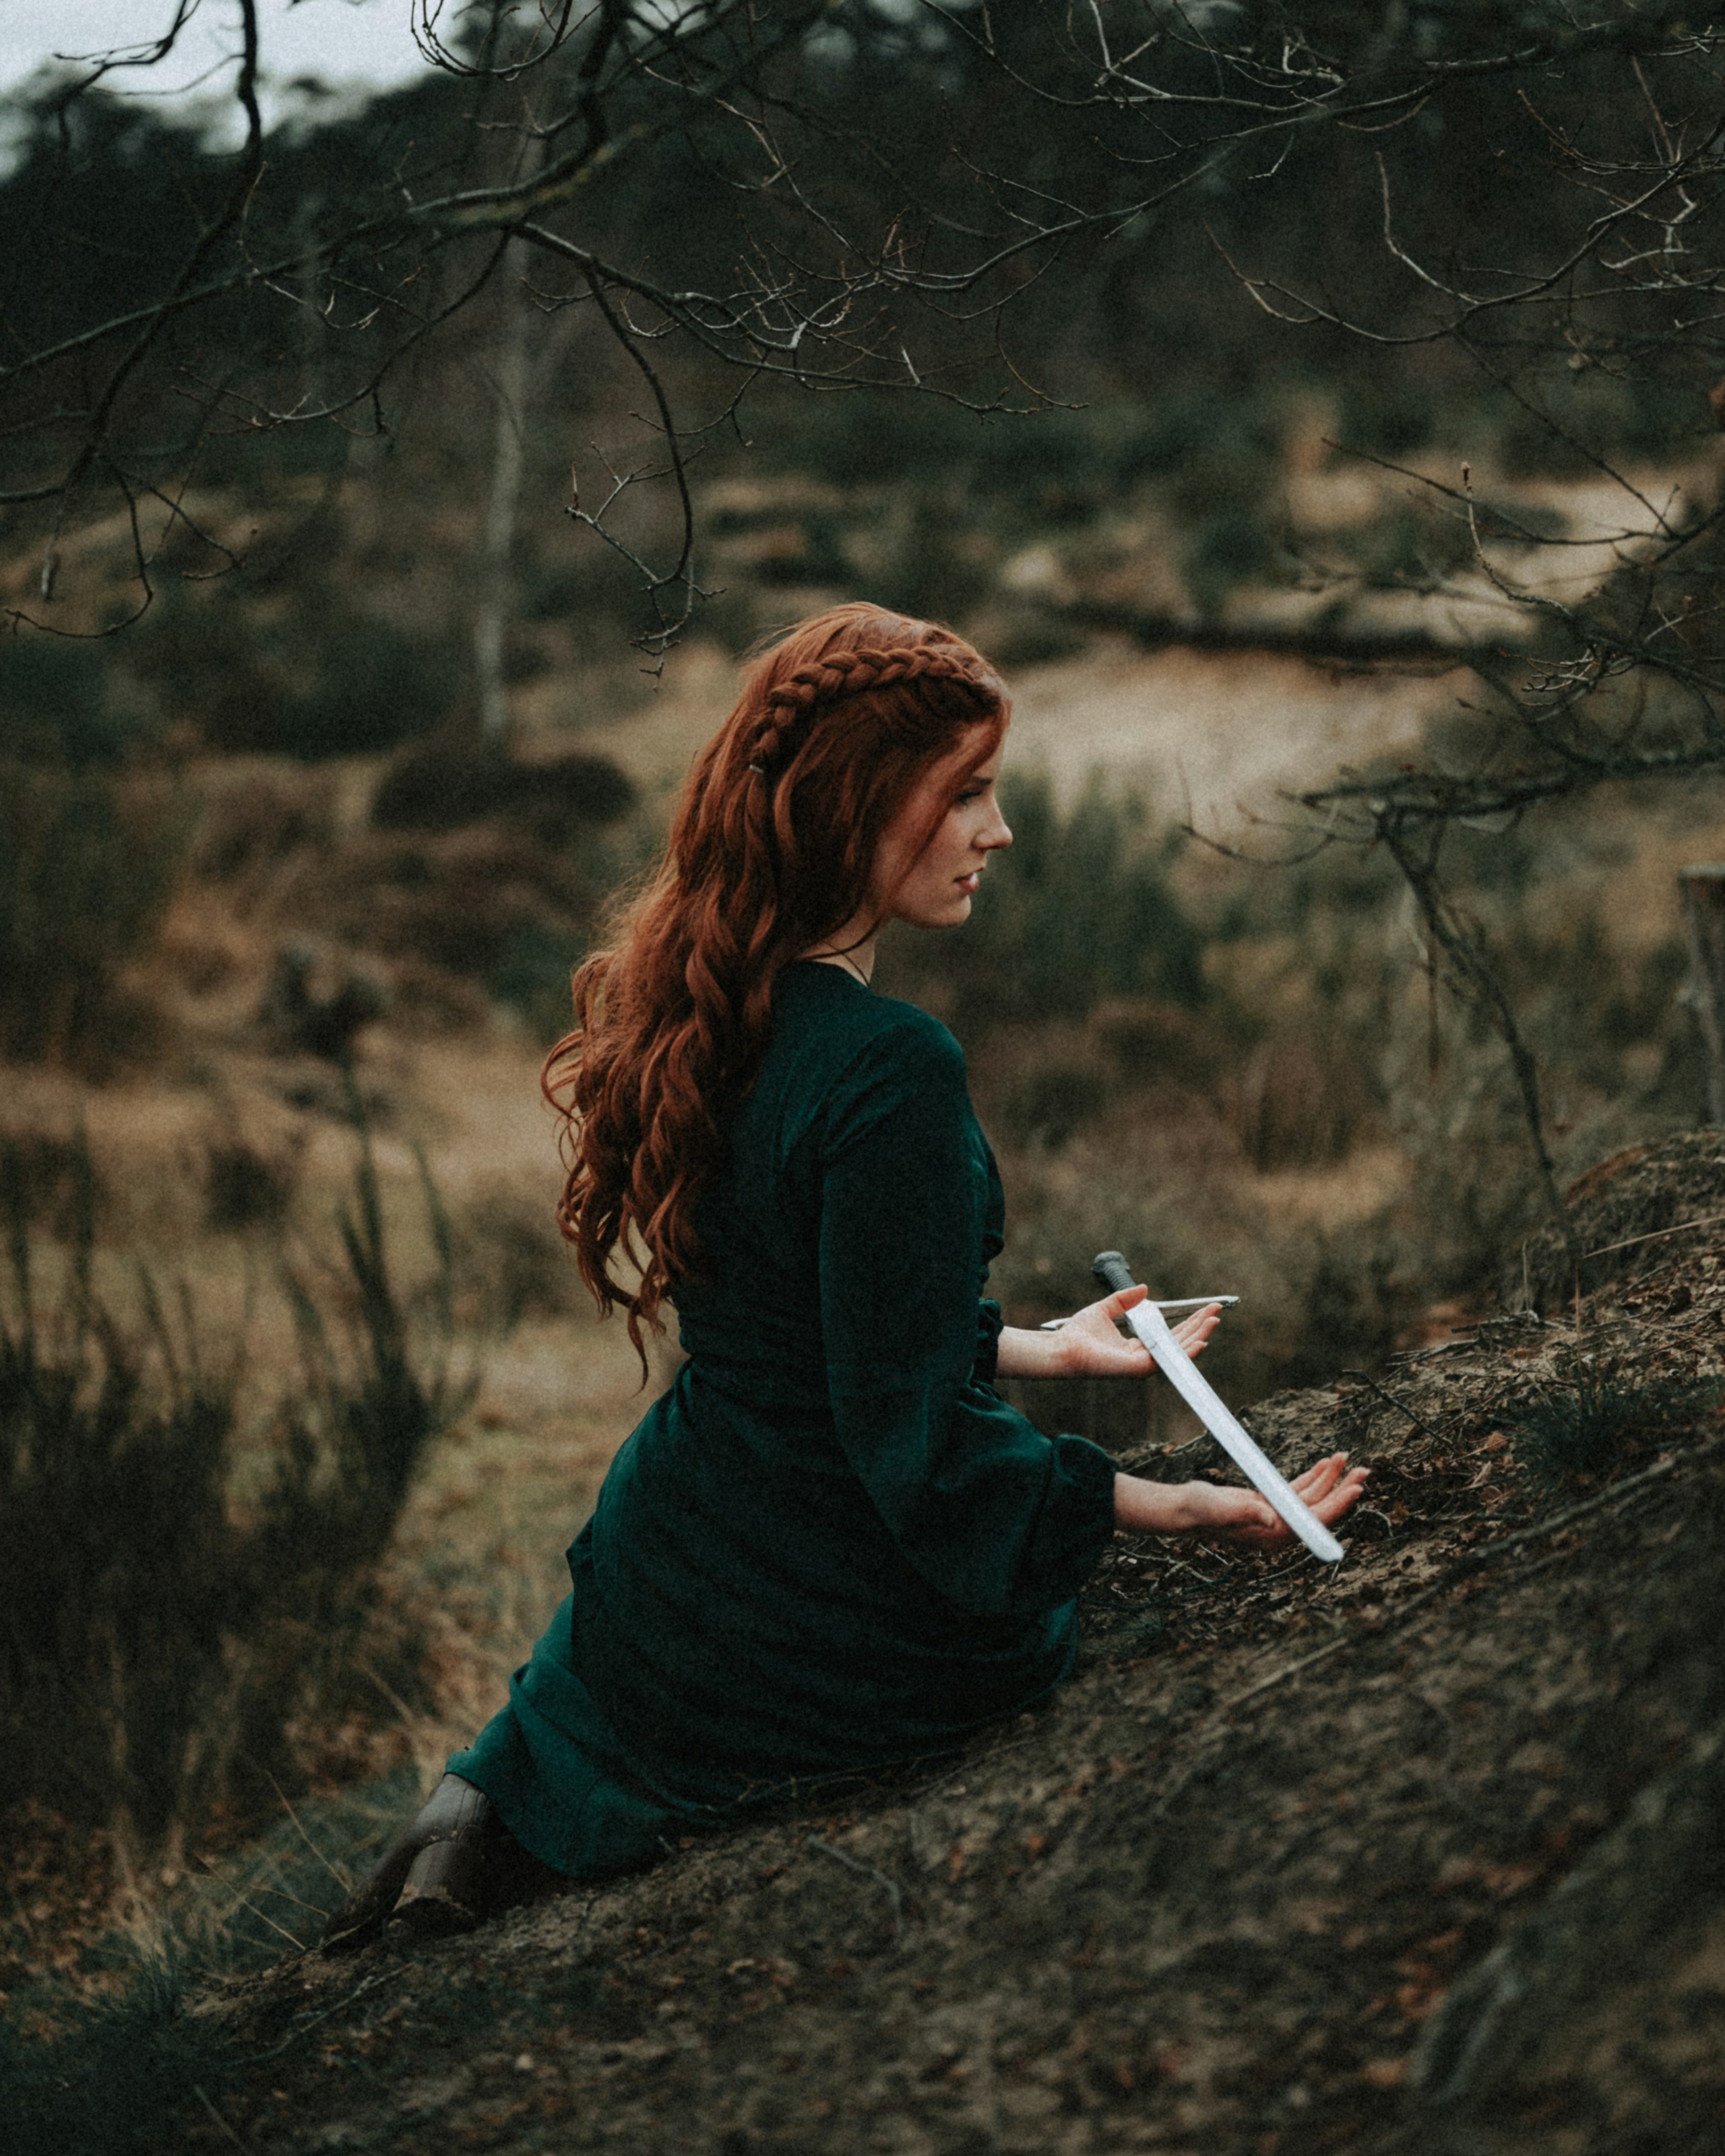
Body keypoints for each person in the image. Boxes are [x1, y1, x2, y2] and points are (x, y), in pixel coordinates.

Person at [323, 603, 1366, 1947]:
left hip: (665, 1572)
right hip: (826, 1626)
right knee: (1021, 1635)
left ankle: (484, 1803)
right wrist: (1178, 1506)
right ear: (855, 806)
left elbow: (810, 1327)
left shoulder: (708, 1004)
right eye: (965, 794)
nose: (999, 831)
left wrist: (1040, 1346)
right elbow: (913, 1448)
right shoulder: (892, 1066)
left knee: (563, 1733)